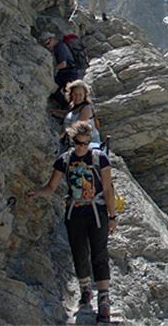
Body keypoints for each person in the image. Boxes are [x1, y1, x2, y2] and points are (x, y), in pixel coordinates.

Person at [27, 121, 116, 323]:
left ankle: (104, 300)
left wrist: (112, 216)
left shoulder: (100, 158)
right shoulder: (64, 160)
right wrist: (37, 193)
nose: (82, 146)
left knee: (99, 253)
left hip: (97, 211)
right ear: (72, 140)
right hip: (74, 212)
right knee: (79, 252)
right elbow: (51, 187)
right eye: (78, 142)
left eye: (86, 143)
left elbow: (108, 189)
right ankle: (86, 289)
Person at [40, 32, 80, 110]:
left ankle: (70, 109)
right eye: (45, 45)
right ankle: (65, 107)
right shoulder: (57, 47)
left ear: (52, 39)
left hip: (69, 73)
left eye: (48, 43)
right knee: (54, 88)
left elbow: (63, 64)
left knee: (70, 92)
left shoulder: (60, 47)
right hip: (64, 73)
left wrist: (53, 69)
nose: (48, 47)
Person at [60, 80, 101, 152]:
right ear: (71, 94)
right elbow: (69, 115)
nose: (77, 97)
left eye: (80, 94)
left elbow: (79, 127)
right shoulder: (73, 105)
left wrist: (62, 134)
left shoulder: (86, 108)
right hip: (73, 142)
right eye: (75, 94)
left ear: (85, 95)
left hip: (86, 145)